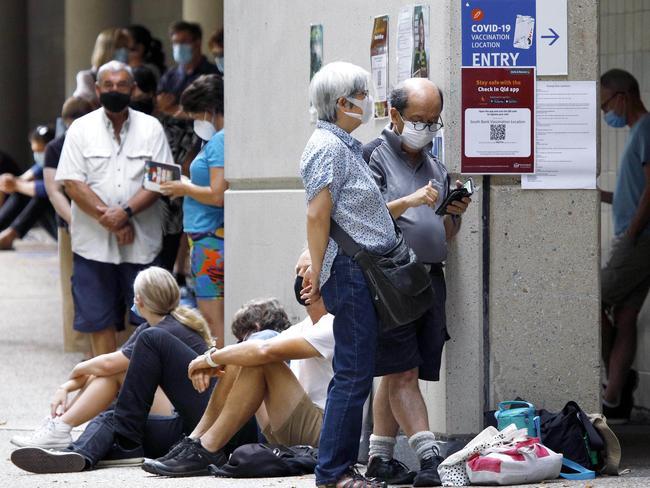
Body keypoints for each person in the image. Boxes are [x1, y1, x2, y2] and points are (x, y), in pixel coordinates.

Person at [9, 298, 289, 474]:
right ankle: (78, 455)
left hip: (239, 431)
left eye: (240, 337)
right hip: (200, 427)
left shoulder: (270, 338)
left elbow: (257, 353)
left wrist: (210, 359)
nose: (238, 342)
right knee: (112, 418)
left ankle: (125, 442)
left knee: (152, 339)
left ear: (254, 325)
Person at [363, 79, 471, 486]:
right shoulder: (371, 156)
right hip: (390, 279)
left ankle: (379, 459)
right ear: (394, 115)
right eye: (417, 120)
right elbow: (360, 217)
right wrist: (408, 202)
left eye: (432, 121)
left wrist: (453, 212)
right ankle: (431, 460)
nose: (425, 128)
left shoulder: (436, 166)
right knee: (403, 372)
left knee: (398, 371)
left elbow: (445, 233)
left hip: (429, 277)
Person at [300, 61, 397, 488]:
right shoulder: (327, 146)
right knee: (353, 373)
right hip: (350, 273)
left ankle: (338, 468)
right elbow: (318, 213)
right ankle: (334, 473)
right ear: (343, 103)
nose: (367, 103)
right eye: (362, 96)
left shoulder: (342, 145)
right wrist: (316, 274)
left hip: (361, 272)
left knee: (356, 371)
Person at [142, 274, 335, 477]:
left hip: (325, 432)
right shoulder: (301, 328)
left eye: (308, 270)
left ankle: (208, 448)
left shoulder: (334, 323)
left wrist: (210, 359)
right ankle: (196, 440)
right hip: (294, 426)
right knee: (243, 356)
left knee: (259, 358)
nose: (303, 279)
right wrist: (219, 359)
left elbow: (262, 351)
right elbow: (250, 350)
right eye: (299, 272)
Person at [9, 266, 211, 454]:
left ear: (138, 300)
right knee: (111, 371)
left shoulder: (167, 329)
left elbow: (107, 365)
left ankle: (60, 428)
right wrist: (65, 387)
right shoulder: (150, 327)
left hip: (183, 419)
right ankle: (60, 426)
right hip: (178, 407)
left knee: (115, 372)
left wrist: (74, 373)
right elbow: (103, 366)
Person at [56, 60, 174, 356]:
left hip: (142, 243)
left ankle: (140, 387)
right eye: (108, 85)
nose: (115, 90)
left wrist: (126, 213)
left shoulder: (152, 128)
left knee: (149, 319)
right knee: (99, 320)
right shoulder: (81, 129)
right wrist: (110, 218)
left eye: (122, 85)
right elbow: (71, 182)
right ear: (97, 89)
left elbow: (161, 181)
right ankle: (108, 389)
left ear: (133, 89)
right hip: (93, 244)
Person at [160, 75, 226, 345]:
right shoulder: (217, 140)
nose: (194, 121)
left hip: (210, 236)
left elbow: (218, 194)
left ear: (208, 110)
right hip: (206, 235)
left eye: (195, 114)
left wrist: (183, 189)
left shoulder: (220, 140)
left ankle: (221, 380)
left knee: (212, 318)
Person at [599, 69, 650, 422]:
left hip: (638, 240)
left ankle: (612, 385)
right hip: (637, 236)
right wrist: (602, 195)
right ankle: (616, 396)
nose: (606, 114)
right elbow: (634, 194)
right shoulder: (637, 132)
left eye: (605, 104)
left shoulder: (647, 128)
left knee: (593, 304)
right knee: (627, 315)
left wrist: (632, 232)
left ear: (622, 95)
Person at [43, 96, 94, 354]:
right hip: (73, 226)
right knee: (73, 284)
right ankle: (79, 345)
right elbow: (54, 190)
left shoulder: (92, 142)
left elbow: (54, 190)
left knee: (82, 284)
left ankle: (94, 344)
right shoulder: (56, 147)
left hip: (91, 223)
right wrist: (76, 222)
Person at [0, 125, 57, 249]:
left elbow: (49, 189)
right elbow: (22, 179)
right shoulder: (43, 164)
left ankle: (11, 235)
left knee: (43, 194)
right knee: (22, 190)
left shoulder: (61, 162)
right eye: (35, 151)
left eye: (40, 151)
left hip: (66, 229)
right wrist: (12, 183)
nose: (38, 155)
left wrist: (16, 184)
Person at [157, 21, 220, 116]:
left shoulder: (213, 74)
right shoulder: (169, 77)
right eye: (175, 43)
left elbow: (209, 112)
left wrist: (171, 109)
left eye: (183, 42)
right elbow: (158, 106)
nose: (178, 47)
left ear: (198, 42)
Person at [73, 28, 131, 105]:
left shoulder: (129, 76)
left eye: (126, 47)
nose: (124, 52)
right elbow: (87, 104)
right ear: (106, 50)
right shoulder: (86, 77)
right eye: (119, 47)